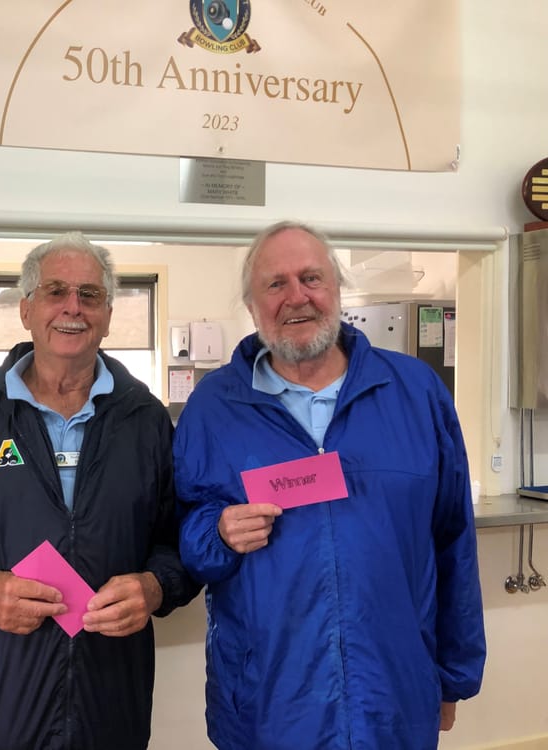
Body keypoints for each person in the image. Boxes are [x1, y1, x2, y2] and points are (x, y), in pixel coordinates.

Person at [0, 231, 200, 750]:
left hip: (108, 710)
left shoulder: (145, 420)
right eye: (55, 291)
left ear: (109, 315)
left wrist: (157, 586)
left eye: (90, 294)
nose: (73, 307)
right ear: (26, 309)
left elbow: (182, 540)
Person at [174, 220, 486, 750]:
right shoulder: (213, 406)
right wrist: (218, 533)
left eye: (311, 278)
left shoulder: (414, 392)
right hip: (267, 701)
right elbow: (185, 535)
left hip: (392, 691)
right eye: (275, 284)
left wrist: (453, 673)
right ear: (251, 305)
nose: (297, 297)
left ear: (336, 290)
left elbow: (453, 539)